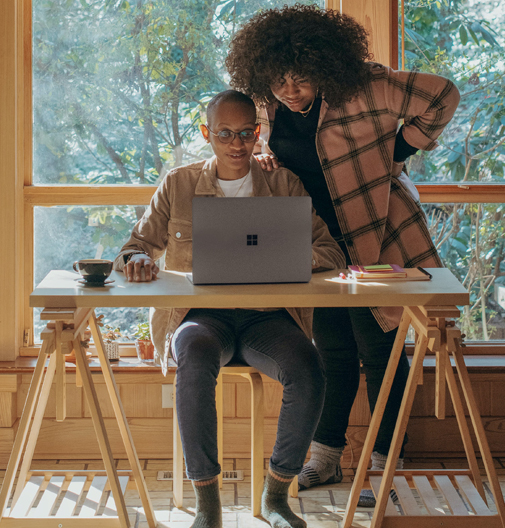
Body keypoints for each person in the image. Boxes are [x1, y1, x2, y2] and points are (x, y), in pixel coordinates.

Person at [225, 4, 460, 506]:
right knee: (330, 347)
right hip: (319, 246)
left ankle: (384, 465)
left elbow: (442, 94)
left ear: (325, 65)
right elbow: (284, 151)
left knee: (381, 348)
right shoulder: (270, 105)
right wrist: (265, 153)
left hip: (378, 233)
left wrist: (400, 150)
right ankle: (327, 458)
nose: (289, 90)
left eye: (301, 79)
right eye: (278, 80)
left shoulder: (367, 87)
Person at [115, 90, 345, 528]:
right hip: (201, 317)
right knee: (194, 359)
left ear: (258, 132)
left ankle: (277, 496)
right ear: (207, 133)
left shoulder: (283, 184)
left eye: (246, 133)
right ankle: (208, 504)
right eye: (225, 134)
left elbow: (330, 252)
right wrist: (138, 260)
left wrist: (289, 256)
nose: (237, 144)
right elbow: (133, 248)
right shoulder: (178, 184)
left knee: (309, 368)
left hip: (269, 318)